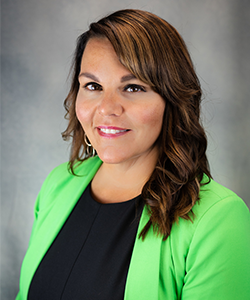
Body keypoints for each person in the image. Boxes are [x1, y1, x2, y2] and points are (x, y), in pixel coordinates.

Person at [16, 9, 250, 300]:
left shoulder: (218, 220)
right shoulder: (58, 185)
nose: (107, 108)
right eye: (93, 86)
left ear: (172, 99)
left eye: (133, 87)